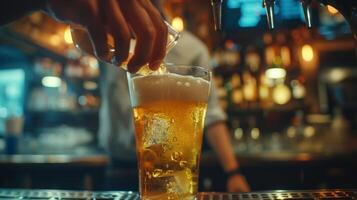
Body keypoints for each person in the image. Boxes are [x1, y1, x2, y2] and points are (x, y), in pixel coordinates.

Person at [0, 0, 250, 192]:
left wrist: (233, 171)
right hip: (116, 165)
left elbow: (212, 115)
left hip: (175, 176)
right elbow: (81, 50)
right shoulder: (111, 34)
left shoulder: (193, 49)